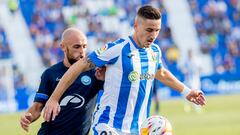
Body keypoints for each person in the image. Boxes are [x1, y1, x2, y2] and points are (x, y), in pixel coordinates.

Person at [43, 5, 206, 135]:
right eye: (149, 30)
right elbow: (80, 65)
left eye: (157, 30)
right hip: (108, 125)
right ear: (136, 26)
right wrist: (54, 98)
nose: (153, 35)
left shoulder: (154, 51)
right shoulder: (117, 49)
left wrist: (186, 91)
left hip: (138, 128)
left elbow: (161, 73)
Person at [20, 27, 105, 135]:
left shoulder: (95, 73)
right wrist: (28, 116)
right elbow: (37, 107)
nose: (82, 52)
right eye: (77, 47)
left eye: (84, 47)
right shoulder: (50, 73)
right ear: (63, 47)